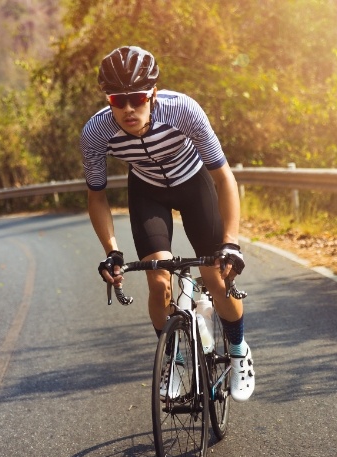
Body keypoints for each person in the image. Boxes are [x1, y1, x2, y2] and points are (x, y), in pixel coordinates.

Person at [80, 45, 255, 401]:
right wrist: (112, 251)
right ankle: (174, 361)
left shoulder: (183, 110)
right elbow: (97, 196)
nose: (128, 109)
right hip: (147, 192)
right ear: (108, 99)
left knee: (215, 277)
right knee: (158, 281)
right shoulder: (96, 133)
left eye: (138, 98)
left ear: (153, 94)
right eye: (118, 100)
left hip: (194, 185)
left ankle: (239, 352)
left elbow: (223, 177)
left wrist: (231, 241)